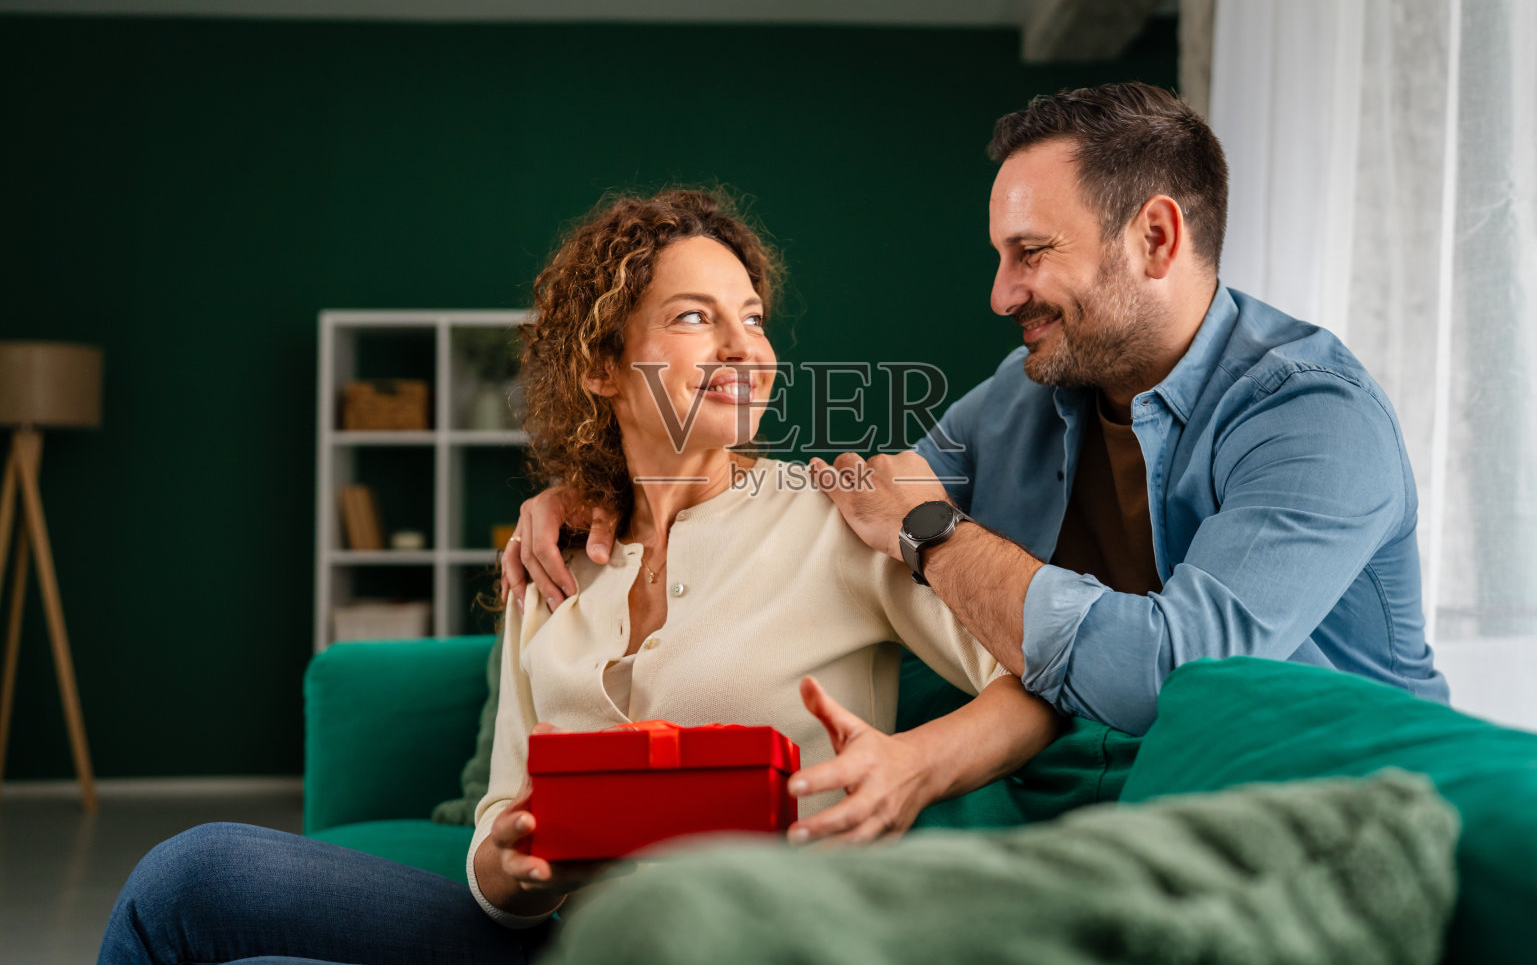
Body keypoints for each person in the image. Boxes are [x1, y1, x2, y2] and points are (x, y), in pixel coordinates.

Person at [99, 189, 1059, 965]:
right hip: (560, 941)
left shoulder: (837, 517)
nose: (746, 349)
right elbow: (497, 835)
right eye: (696, 317)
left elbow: (1039, 684)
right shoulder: (554, 558)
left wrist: (909, 767)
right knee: (192, 879)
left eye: (754, 320)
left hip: (748, 936)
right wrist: (513, 869)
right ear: (604, 366)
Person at [503, 83, 1450, 738]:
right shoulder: (1040, 384)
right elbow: (862, 494)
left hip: (1341, 780)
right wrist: (605, 490)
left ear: (1155, 237)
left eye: (1030, 252)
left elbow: (1173, 675)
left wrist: (934, 536)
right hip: (1158, 791)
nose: (1002, 294)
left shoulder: (1312, 417)